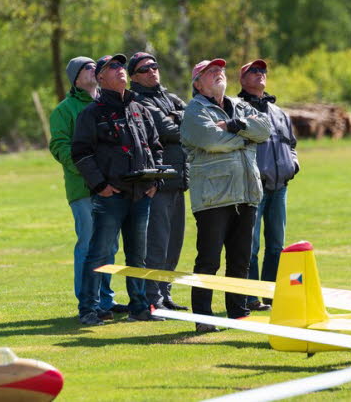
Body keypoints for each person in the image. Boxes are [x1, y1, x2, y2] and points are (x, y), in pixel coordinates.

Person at [72, 53, 165, 325]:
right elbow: (81, 154)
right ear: (101, 77)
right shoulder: (92, 112)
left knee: (137, 255)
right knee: (99, 253)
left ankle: (139, 307)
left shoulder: (140, 109)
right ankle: (88, 309)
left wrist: (155, 181)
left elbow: (156, 147)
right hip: (111, 196)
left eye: (121, 66)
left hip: (141, 194)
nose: (120, 70)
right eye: (113, 66)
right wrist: (100, 185)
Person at [180, 58, 271, 332]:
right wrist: (245, 135)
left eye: (220, 70)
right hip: (213, 196)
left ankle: (238, 312)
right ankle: (204, 319)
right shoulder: (194, 110)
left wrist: (232, 127)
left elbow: (265, 130)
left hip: (246, 192)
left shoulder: (239, 105)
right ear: (198, 83)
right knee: (208, 259)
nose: (219, 73)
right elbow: (209, 140)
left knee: (240, 258)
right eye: (211, 72)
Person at [49, 57, 127, 322]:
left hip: (111, 187)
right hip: (83, 188)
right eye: (86, 68)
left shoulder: (107, 103)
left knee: (109, 246)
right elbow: (60, 146)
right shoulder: (65, 109)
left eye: (95, 66)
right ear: (75, 78)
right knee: (89, 243)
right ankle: (87, 302)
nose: (92, 70)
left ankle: (106, 299)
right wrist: (90, 175)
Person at [128, 52, 190, 311]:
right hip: (159, 182)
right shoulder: (138, 101)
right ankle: (153, 298)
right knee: (157, 243)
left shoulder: (170, 97)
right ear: (134, 77)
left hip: (179, 180)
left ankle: (165, 293)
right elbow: (169, 131)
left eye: (154, 66)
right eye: (144, 69)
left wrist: (179, 117)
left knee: (174, 243)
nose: (152, 71)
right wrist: (179, 119)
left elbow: (193, 124)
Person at [238, 59, 299, 311]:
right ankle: (251, 297)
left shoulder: (278, 112)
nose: (259, 74)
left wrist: (293, 165)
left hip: (279, 187)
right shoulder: (237, 108)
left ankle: (272, 295)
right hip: (254, 187)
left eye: (262, 71)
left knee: (276, 245)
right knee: (250, 246)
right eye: (253, 71)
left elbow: (291, 144)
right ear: (242, 79)